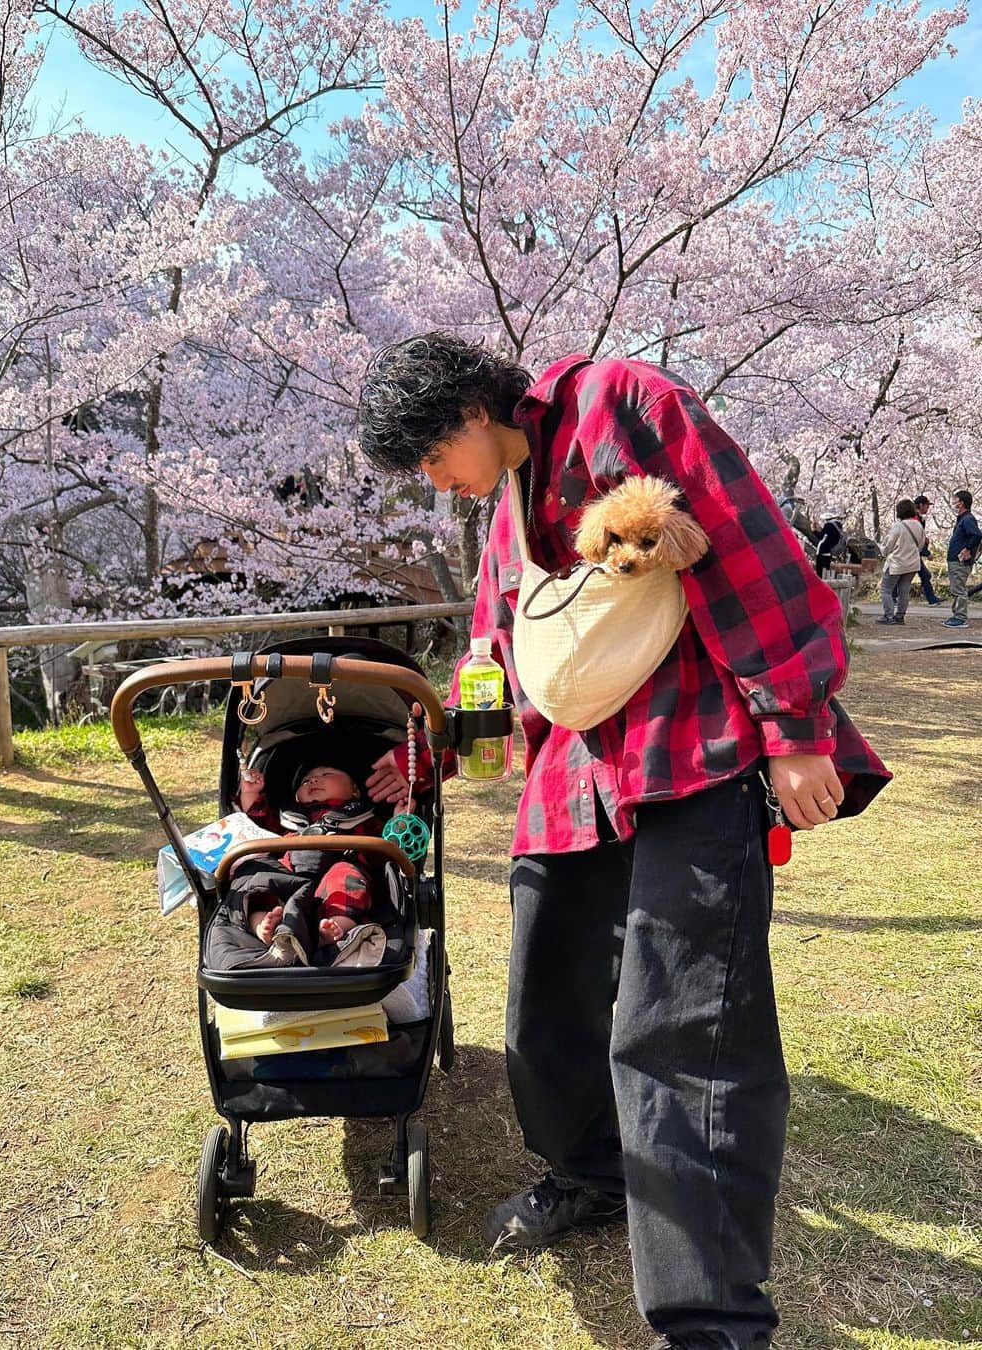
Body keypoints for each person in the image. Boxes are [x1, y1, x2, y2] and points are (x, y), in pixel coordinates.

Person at [358, 333, 890, 1350]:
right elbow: (495, 644)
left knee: (683, 1031)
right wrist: (425, 757)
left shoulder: (623, 402)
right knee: (544, 1002)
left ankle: (710, 1321)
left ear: (471, 411)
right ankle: (593, 1173)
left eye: (432, 458)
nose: (437, 481)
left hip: (694, 746)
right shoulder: (508, 499)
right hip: (572, 776)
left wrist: (794, 730)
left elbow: (748, 548)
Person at [231, 755, 383, 964]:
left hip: (336, 870)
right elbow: (255, 826)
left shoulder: (363, 818)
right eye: (306, 780)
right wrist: (250, 792)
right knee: (260, 877)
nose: (313, 780)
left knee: (347, 876)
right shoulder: (288, 819)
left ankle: (336, 927)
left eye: (326, 774)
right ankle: (262, 924)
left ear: (355, 790)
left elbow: (386, 844)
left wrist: (402, 819)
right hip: (288, 874)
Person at [876, 499, 926, 626]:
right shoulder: (918, 525)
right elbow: (920, 545)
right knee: (904, 590)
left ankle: (888, 616)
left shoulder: (898, 526)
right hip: (912, 563)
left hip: (896, 564)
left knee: (886, 589)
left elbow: (888, 547)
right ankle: (900, 616)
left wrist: (881, 549)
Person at [943, 489, 981, 628]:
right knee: (956, 587)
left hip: (960, 560)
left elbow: (976, 535)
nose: (953, 503)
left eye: (956, 500)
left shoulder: (968, 519)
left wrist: (967, 549)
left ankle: (960, 617)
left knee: (959, 589)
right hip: (955, 559)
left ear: (962, 503)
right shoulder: (962, 519)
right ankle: (956, 615)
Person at [912, 495, 941, 605]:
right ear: (921, 505)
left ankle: (931, 598)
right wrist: (926, 552)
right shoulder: (915, 518)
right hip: (913, 552)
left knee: (924, 575)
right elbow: (917, 537)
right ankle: (931, 599)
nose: (928, 508)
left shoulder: (918, 518)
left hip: (914, 552)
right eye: (927, 505)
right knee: (923, 575)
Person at [813, 507, 847, 578]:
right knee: (826, 570)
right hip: (829, 551)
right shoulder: (838, 525)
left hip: (823, 550)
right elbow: (829, 536)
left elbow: (821, 537)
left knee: (820, 572)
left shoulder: (828, 525)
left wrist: (814, 531)